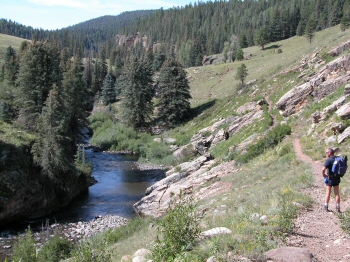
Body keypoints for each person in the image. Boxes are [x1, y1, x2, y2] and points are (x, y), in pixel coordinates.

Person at [322, 148, 341, 212]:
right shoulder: (338, 158)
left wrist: (324, 175)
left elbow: (323, 169)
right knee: (337, 193)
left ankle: (326, 206)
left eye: (327, 152)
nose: (326, 154)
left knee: (328, 192)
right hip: (337, 178)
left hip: (330, 178)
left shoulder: (329, 160)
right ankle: (338, 208)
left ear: (330, 153)